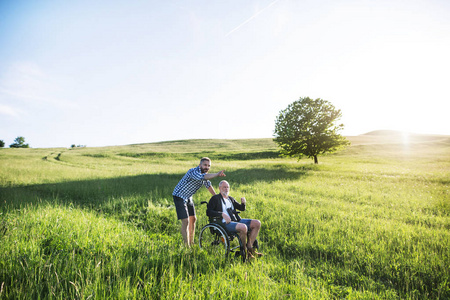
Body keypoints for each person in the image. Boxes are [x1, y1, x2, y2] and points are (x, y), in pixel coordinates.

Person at [173, 157, 226, 246]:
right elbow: (203, 177)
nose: (207, 167)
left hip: (188, 197)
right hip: (179, 195)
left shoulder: (205, 174)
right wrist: (217, 174)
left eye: (209, 166)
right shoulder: (193, 172)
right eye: (205, 165)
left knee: (193, 219)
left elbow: (208, 185)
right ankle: (187, 246)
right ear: (200, 165)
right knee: (185, 221)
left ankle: (192, 242)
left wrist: (217, 198)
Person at [207, 180, 263, 259]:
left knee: (257, 223)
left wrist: (243, 203)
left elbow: (241, 208)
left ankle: (249, 248)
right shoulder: (215, 198)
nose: (226, 189)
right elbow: (208, 212)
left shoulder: (230, 199)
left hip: (236, 220)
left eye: (227, 187)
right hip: (224, 223)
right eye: (224, 187)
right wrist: (222, 214)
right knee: (243, 227)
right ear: (219, 188)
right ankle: (244, 252)